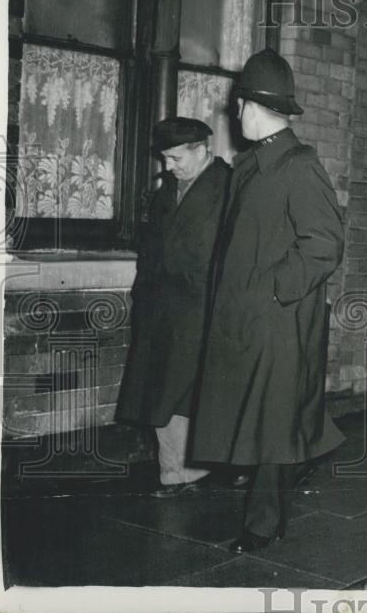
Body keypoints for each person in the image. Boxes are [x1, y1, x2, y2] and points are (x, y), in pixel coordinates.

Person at [190, 48, 346, 553]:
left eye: (238, 107)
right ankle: (269, 502)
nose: (236, 116)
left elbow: (325, 244)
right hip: (247, 318)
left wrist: (273, 288)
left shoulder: (297, 166)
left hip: (279, 319)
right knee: (260, 416)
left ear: (250, 106)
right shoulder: (251, 165)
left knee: (274, 419)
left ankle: (263, 524)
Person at [116, 117, 230, 497]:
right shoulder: (167, 190)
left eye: (176, 158)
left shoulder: (230, 187)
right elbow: (150, 250)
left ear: (203, 150)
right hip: (160, 307)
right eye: (166, 158)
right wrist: (142, 296)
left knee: (191, 390)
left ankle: (214, 464)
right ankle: (178, 470)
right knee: (162, 389)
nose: (169, 167)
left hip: (204, 306)